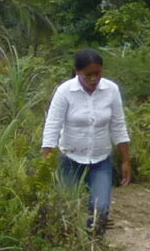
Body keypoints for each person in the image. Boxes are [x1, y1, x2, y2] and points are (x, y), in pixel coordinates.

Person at [42, 47, 133, 236]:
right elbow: (52, 125)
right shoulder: (65, 92)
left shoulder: (111, 90)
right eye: (88, 75)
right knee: (68, 207)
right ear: (77, 72)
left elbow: (118, 125)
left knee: (101, 208)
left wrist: (125, 160)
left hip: (100, 159)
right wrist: (47, 159)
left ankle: (95, 247)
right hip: (70, 158)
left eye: (97, 74)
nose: (93, 79)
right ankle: (71, 248)